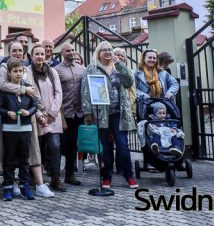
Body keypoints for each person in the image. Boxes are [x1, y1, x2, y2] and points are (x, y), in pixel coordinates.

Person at [0, 41, 53, 198]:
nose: (17, 53)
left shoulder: (27, 69)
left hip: (27, 124)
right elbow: (2, 88)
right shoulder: (4, 67)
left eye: (20, 50)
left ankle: (28, 186)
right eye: (14, 50)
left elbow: (33, 94)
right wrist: (23, 90)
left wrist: (38, 111)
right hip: (10, 125)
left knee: (27, 156)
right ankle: (9, 186)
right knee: (9, 157)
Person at [81, 41, 138, 189]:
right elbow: (85, 91)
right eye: (104, 50)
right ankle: (106, 177)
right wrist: (87, 112)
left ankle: (129, 175)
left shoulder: (118, 67)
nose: (108, 52)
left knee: (122, 145)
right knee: (105, 147)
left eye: (110, 50)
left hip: (119, 113)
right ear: (98, 53)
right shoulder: (91, 68)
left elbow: (129, 82)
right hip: (101, 114)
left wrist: (120, 65)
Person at [0, 59, 37, 201]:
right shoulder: (5, 90)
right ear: (9, 73)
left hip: (25, 129)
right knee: (9, 160)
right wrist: (7, 113)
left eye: (20, 71)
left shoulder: (28, 88)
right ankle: (8, 188)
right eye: (15, 71)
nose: (18, 74)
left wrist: (30, 112)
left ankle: (24, 187)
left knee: (24, 160)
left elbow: (35, 105)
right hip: (9, 130)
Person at [31, 45, 64, 192]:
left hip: (52, 118)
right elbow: (29, 95)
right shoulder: (28, 72)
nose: (40, 56)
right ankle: (37, 179)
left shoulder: (52, 72)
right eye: (37, 54)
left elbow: (59, 93)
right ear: (32, 56)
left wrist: (51, 113)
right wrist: (39, 114)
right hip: (37, 117)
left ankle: (55, 178)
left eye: (42, 54)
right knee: (37, 149)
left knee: (55, 147)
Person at [54, 43, 85, 185]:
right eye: (68, 50)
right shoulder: (56, 70)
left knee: (73, 145)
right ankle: (55, 175)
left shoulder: (82, 69)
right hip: (63, 113)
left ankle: (69, 174)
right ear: (62, 53)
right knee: (60, 146)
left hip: (78, 113)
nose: (71, 52)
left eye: (73, 50)